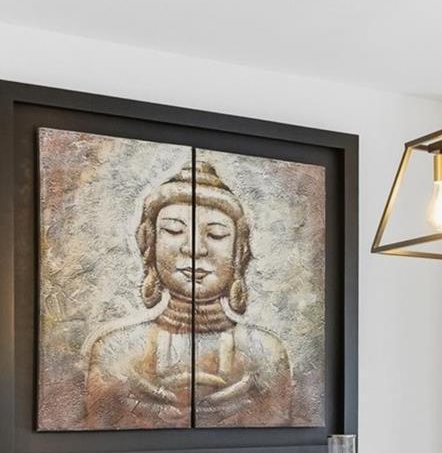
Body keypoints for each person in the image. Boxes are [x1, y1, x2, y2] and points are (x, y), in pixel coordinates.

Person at [83, 161, 292, 428]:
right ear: (151, 244)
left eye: (216, 234)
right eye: (173, 230)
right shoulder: (114, 349)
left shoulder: (266, 352)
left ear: (239, 252)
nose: (194, 249)